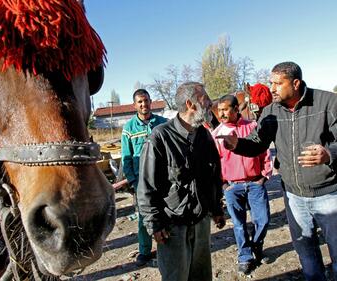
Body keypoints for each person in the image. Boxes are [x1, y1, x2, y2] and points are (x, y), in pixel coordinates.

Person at [216, 61, 337, 281]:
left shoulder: (328, 102)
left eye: (277, 83)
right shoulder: (271, 111)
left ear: (296, 83)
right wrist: (238, 144)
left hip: (328, 194)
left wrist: (329, 154)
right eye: (271, 82)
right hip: (293, 196)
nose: (271, 88)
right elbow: (258, 142)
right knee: (306, 252)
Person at [137, 82, 226, 281]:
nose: (210, 102)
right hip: (172, 228)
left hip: (201, 222)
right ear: (190, 104)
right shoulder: (160, 137)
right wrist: (154, 224)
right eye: (205, 98)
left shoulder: (204, 135)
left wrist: (216, 208)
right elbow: (146, 187)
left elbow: (213, 176)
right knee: (176, 277)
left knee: (202, 276)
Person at [212, 94, 272, 275]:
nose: (221, 113)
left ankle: (257, 247)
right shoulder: (217, 135)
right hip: (232, 187)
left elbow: (265, 153)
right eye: (219, 110)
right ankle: (245, 256)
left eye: (225, 109)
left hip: (255, 183)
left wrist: (264, 177)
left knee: (262, 220)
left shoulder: (253, 127)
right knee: (238, 224)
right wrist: (223, 185)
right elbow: (215, 163)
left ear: (236, 109)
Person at [121, 89, 167, 266]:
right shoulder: (129, 128)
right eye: (140, 102)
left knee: (164, 214)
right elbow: (126, 157)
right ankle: (145, 251)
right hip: (141, 183)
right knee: (143, 219)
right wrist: (133, 181)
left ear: (150, 102)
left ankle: (165, 247)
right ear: (135, 105)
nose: (143, 104)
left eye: (146, 100)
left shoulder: (162, 123)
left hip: (163, 180)